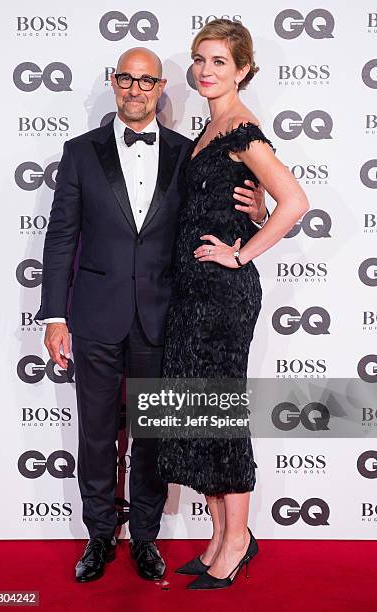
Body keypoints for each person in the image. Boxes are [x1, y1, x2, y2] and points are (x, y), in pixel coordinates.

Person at [36, 46, 268, 583]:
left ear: (162, 86)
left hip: (166, 316)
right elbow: (60, 239)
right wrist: (54, 316)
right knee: (96, 433)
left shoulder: (189, 153)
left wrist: (258, 213)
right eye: (126, 79)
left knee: (154, 434)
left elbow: (221, 211)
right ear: (113, 82)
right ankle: (98, 537)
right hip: (93, 315)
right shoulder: (79, 152)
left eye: (147, 81)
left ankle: (145, 538)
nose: (135, 90)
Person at [157, 19, 310, 590]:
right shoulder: (209, 130)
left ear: (242, 69)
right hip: (192, 293)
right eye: (200, 59)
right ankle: (220, 538)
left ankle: (238, 540)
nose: (204, 70)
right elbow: (244, 195)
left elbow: (294, 200)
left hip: (221, 296)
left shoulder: (242, 129)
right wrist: (253, 202)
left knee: (218, 415)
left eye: (219, 61)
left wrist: (242, 254)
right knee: (199, 414)